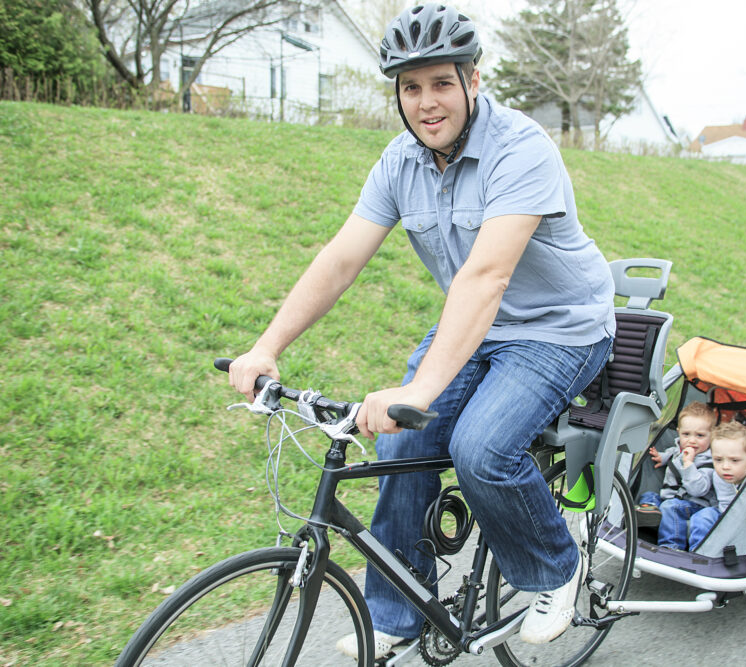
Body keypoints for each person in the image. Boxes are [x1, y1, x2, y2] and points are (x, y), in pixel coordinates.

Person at [227, 3, 617, 659]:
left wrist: (425, 387)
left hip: (560, 328)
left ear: (473, 79)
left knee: (483, 448)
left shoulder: (522, 149)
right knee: (400, 449)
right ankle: (398, 614)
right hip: (476, 328)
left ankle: (556, 566)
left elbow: (486, 276)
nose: (426, 102)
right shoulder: (400, 161)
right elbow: (341, 258)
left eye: (441, 82)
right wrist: (268, 344)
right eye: (411, 87)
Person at [636, 401, 716, 550]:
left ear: (712, 436)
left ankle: (671, 545)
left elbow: (699, 490)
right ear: (679, 432)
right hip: (671, 497)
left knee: (670, 507)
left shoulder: (709, 461)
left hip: (693, 503)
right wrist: (662, 457)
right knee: (649, 495)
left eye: (700, 435)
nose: (692, 440)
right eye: (686, 434)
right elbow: (673, 453)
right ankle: (650, 511)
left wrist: (689, 464)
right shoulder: (679, 448)